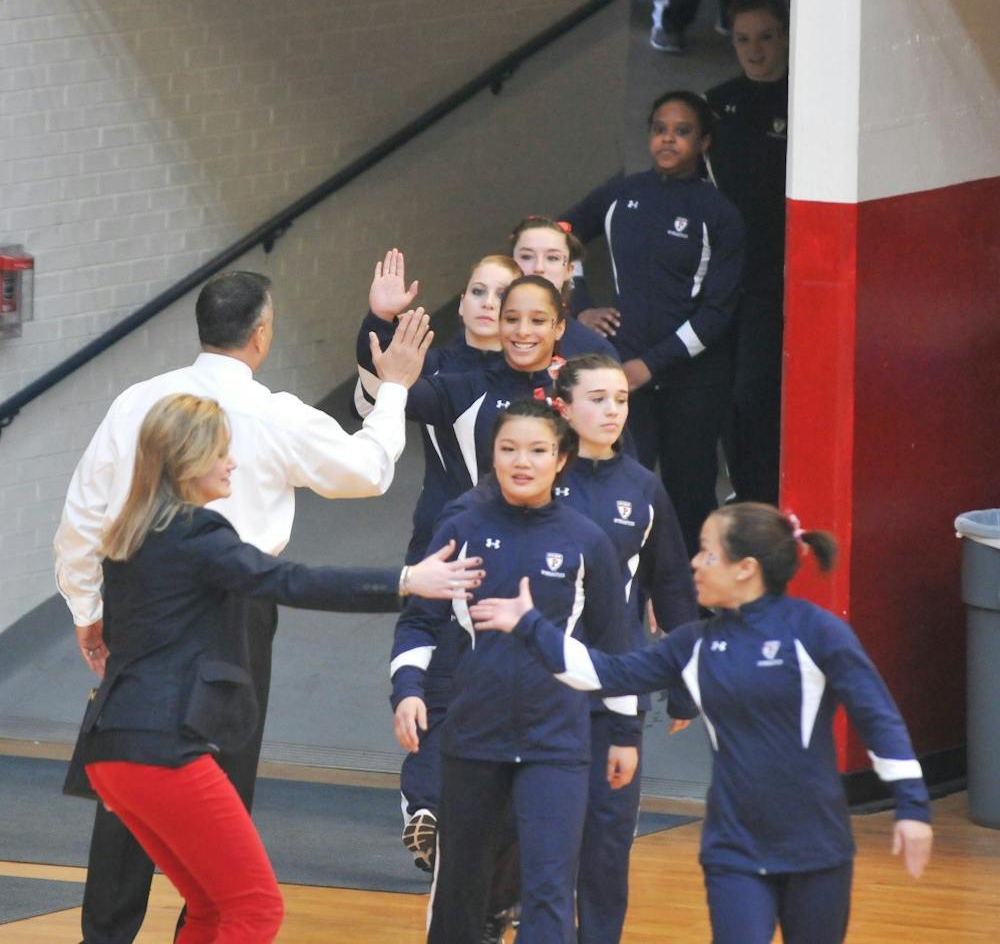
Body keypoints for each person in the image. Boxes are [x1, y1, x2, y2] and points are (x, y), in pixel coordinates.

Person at [54, 270, 442, 944]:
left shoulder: (137, 403)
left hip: (134, 603)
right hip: (234, 607)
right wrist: (395, 390)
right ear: (262, 335)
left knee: (135, 797)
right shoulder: (268, 416)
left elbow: (82, 519)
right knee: (217, 809)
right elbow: (367, 471)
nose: (230, 463)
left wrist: (87, 609)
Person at [472, 502, 934, 944]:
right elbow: (605, 675)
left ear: (745, 568)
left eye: (708, 552)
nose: (694, 563)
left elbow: (878, 716)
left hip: (818, 849)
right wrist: (530, 625)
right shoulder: (693, 644)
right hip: (734, 848)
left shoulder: (817, 631)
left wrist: (912, 805)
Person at [391, 399, 635, 944]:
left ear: (562, 458)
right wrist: (408, 691)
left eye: (538, 450)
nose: (522, 461)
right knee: (460, 886)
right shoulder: (462, 528)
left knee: (548, 889)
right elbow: (418, 623)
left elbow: (614, 649)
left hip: (558, 741)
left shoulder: (586, 540)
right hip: (473, 736)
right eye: (508, 449)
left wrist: (624, 733)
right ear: (492, 456)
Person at [553, 353, 699, 943]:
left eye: (621, 399)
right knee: (543, 839)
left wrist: (684, 686)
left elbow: (672, 583)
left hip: (616, 688)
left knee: (608, 841)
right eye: (597, 398)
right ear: (562, 406)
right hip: (539, 685)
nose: (612, 410)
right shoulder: (535, 474)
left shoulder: (642, 487)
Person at [564, 91, 745, 556]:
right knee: (619, 489)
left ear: (704, 141)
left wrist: (650, 364)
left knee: (690, 494)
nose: (668, 139)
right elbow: (558, 236)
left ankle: (696, 604)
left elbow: (716, 314)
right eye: (660, 129)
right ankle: (622, 597)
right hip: (625, 379)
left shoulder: (719, 214)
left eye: (682, 131)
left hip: (694, 381)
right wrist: (580, 305)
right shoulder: (620, 195)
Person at [355, 250, 519, 564]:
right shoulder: (429, 365)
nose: (487, 302)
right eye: (478, 291)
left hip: (513, 534)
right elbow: (381, 376)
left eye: (502, 295)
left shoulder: (531, 376)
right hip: (439, 528)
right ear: (461, 302)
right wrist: (380, 318)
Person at [706, 0, 790, 505]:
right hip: (723, 278)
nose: (754, 50)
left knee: (755, 389)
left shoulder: (809, 103)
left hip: (774, 277)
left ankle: (766, 491)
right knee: (723, 394)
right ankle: (744, 488)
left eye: (765, 37)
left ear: (784, 36)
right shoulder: (718, 105)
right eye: (743, 39)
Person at [509, 216, 619, 361]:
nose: (538, 268)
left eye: (552, 258)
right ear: (510, 264)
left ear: (569, 270)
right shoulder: (483, 332)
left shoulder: (594, 350)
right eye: (527, 256)